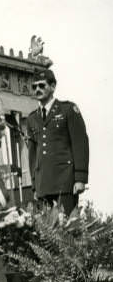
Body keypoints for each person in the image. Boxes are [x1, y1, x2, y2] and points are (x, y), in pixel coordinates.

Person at [26, 69, 89, 215]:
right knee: (48, 233)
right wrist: (35, 186)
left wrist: (80, 178)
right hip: (43, 185)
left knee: (68, 230)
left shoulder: (68, 110)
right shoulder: (32, 119)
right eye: (34, 87)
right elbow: (33, 154)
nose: (37, 90)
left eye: (42, 86)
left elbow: (80, 143)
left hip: (65, 182)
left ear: (53, 86)